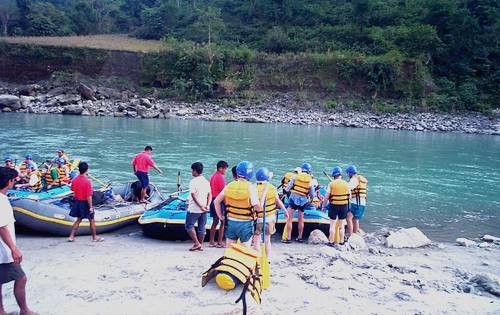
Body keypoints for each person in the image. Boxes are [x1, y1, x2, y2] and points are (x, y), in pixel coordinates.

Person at [0, 167, 37, 315]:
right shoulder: (2, 201)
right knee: (21, 278)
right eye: (14, 181)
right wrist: (13, 248)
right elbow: (2, 227)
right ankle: (24, 310)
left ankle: (1, 310)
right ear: (9, 182)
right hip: (3, 251)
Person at [214, 161, 261, 248]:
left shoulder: (229, 185)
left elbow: (216, 201)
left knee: (230, 250)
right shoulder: (251, 187)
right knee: (244, 250)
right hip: (245, 224)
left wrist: (220, 216)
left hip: (231, 222)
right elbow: (257, 208)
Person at [252, 167, 288, 257]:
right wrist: (285, 211)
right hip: (270, 218)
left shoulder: (254, 188)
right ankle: (267, 258)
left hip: (259, 218)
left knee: (256, 239)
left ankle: (258, 257)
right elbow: (278, 201)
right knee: (267, 239)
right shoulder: (272, 188)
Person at [68, 162, 103, 242]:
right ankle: (94, 237)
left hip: (77, 201)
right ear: (87, 170)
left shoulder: (75, 180)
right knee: (92, 220)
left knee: (78, 219)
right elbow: (89, 196)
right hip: (85, 202)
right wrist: (90, 207)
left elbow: (73, 190)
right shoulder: (88, 181)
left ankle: (71, 236)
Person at [283, 163, 314, 243]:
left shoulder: (295, 176)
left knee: (289, 218)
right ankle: (299, 237)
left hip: (293, 198)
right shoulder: (310, 179)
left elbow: (288, 187)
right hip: (303, 200)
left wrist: (286, 191)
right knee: (301, 219)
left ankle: (288, 237)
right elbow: (312, 192)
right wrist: (311, 199)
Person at [185, 162, 211, 251]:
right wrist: (207, 205)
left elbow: (193, 195)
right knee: (201, 227)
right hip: (204, 207)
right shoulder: (206, 182)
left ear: (195, 171)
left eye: (192, 170)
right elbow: (209, 195)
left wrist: (200, 205)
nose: (192, 172)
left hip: (194, 208)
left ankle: (196, 243)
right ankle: (200, 245)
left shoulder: (193, 181)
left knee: (189, 225)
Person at [322, 166, 350, 245]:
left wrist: (323, 206)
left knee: (332, 225)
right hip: (344, 206)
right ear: (340, 174)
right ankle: (341, 242)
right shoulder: (346, 184)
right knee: (341, 225)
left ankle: (331, 242)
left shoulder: (331, 184)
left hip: (334, 205)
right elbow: (349, 196)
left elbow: (326, 197)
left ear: (333, 175)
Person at [208, 160, 228, 248]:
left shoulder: (213, 176)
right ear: (220, 168)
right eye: (225, 169)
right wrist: (226, 204)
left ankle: (211, 241)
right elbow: (222, 193)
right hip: (218, 202)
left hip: (212, 200)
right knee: (223, 222)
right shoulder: (220, 177)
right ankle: (219, 242)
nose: (225, 171)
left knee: (214, 222)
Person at [346, 165, 367, 236]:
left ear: (350, 173)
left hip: (356, 203)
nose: (347, 175)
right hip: (362, 203)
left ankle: (351, 235)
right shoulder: (360, 179)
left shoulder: (354, 179)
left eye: (348, 173)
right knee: (355, 219)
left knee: (348, 217)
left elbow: (347, 188)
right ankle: (355, 235)